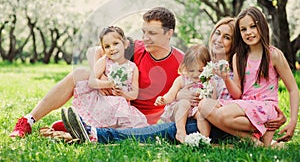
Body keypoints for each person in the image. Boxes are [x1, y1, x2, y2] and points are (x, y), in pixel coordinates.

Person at [61, 17, 287, 144]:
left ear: (234, 42)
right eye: (217, 32)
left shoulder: (237, 64)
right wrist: (180, 95)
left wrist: (278, 114)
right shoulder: (202, 61)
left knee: (165, 131)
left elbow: (249, 98)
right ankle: (83, 131)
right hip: (197, 114)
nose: (219, 38)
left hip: (212, 121)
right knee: (165, 128)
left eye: (226, 36)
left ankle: (97, 135)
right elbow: (183, 84)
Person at [9, 7, 184, 137]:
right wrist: (101, 77)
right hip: (113, 101)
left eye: (152, 33)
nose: (145, 38)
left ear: (169, 33)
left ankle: (83, 126)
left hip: (138, 120)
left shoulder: (181, 61)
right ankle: (28, 121)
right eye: (144, 32)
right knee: (80, 73)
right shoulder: (135, 47)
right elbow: (94, 51)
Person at [198, 7, 299, 146]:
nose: (249, 32)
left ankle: (261, 132)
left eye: (253, 26)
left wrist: (293, 121)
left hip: (266, 106)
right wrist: (226, 78)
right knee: (204, 105)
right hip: (244, 105)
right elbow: (237, 93)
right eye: (243, 29)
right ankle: (252, 140)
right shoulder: (239, 57)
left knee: (222, 115)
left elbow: (293, 89)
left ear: (262, 26)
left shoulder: (273, 55)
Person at [70, 26, 148, 129]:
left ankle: (105, 130)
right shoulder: (104, 61)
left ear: (124, 44)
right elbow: (92, 82)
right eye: (107, 46)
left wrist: (123, 94)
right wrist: (109, 84)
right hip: (104, 102)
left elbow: (134, 94)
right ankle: (85, 126)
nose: (112, 48)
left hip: (121, 106)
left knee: (134, 125)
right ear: (103, 49)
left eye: (115, 43)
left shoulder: (132, 67)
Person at [154, 44, 213, 143]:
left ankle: (204, 138)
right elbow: (171, 95)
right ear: (185, 67)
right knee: (184, 103)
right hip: (179, 110)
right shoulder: (181, 80)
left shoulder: (206, 82)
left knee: (202, 114)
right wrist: (163, 99)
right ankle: (180, 132)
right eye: (191, 70)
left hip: (195, 110)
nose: (195, 74)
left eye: (200, 70)